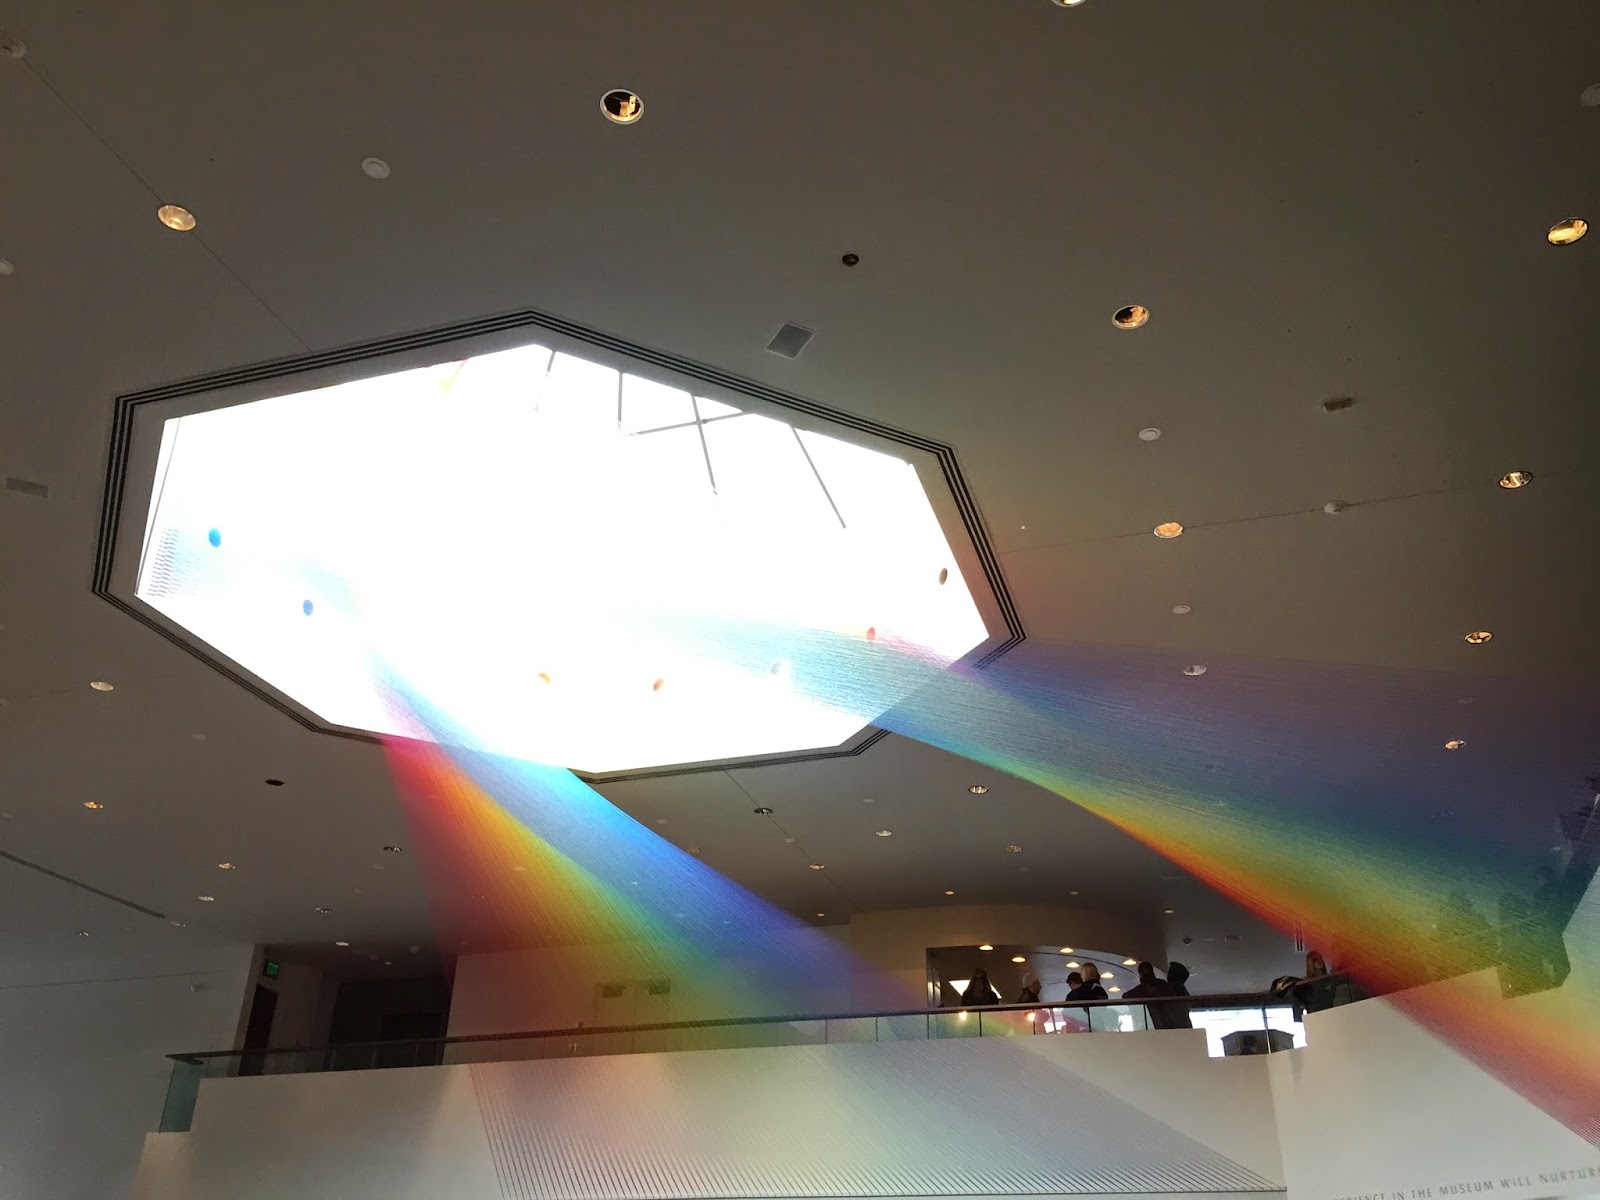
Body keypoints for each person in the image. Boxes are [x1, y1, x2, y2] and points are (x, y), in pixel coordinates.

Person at [1125, 961, 1192, 1029]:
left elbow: (1126, 996)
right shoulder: (1163, 985)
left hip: (1161, 1021)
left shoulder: (1160, 986)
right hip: (1168, 1022)